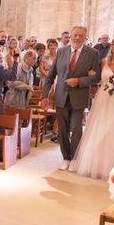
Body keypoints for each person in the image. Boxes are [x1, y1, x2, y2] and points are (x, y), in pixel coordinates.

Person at [71, 35, 114, 177]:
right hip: (103, 98)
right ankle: (96, 165)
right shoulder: (104, 61)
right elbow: (97, 78)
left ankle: (113, 166)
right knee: (98, 128)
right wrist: (92, 74)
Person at [40, 25, 101, 171]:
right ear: (70, 36)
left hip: (79, 97)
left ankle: (75, 158)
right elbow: (51, 76)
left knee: (76, 128)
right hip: (61, 96)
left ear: (85, 37)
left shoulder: (92, 53)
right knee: (63, 129)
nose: (77, 38)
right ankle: (65, 157)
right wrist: (44, 96)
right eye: (75, 35)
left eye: (81, 35)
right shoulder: (61, 51)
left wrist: (79, 81)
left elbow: (96, 77)